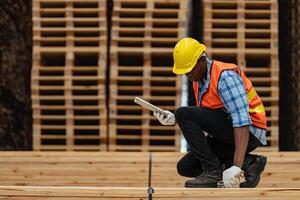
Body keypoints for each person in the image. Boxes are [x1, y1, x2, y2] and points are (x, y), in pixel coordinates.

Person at [153, 37, 267, 188]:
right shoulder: (199, 80)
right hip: (228, 131)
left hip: (250, 131)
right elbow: (208, 116)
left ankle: (213, 171)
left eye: (189, 70)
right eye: (184, 72)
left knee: (183, 113)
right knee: (186, 167)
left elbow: (242, 121)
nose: (187, 75)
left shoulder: (225, 77)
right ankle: (251, 163)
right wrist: (176, 120)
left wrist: (236, 166)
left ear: (202, 60)